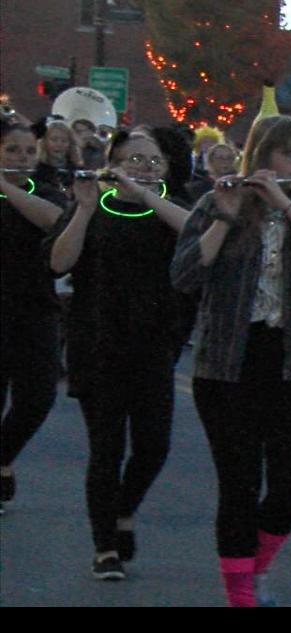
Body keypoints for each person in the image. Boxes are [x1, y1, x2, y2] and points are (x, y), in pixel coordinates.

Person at [171, 115, 291, 607]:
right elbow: (185, 276)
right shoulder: (218, 202)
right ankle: (241, 593)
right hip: (229, 362)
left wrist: (286, 205)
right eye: (289, 154)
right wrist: (224, 217)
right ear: (261, 158)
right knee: (238, 484)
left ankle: (254, 569)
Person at [47, 129, 193, 581]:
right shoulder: (94, 204)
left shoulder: (172, 205)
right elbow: (58, 263)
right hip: (98, 341)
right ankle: (104, 546)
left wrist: (148, 195)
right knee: (106, 449)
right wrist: (86, 208)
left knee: (154, 445)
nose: (145, 168)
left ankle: (124, 510)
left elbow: (198, 235)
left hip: (153, 342)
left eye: (153, 162)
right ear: (114, 162)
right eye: (134, 160)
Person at [1, 118, 67, 516]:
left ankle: (3, 455)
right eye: (12, 151)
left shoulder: (44, 190)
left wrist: (6, 186)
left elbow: (53, 220)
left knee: (38, 397)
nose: (22, 158)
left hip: (36, 309)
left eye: (29, 151)